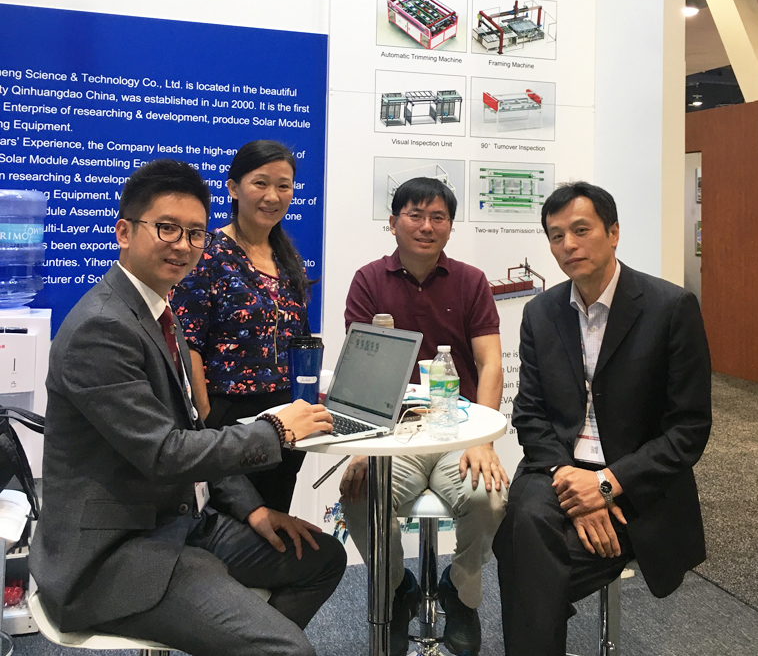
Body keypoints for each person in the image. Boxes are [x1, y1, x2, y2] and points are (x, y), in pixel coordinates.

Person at [30, 159, 346, 656]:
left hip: (184, 524)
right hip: (120, 554)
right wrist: (276, 430)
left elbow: (194, 429)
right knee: (287, 649)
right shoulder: (102, 327)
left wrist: (254, 509)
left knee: (322, 557)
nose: (182, 244)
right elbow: (165, 453)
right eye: (167, 228)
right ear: (124, 232)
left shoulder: (160, 312)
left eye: (196, 233)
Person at [493, 182, 712, 656]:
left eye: (580, 230)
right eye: (556, 236)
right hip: (555, 468)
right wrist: (572, 481)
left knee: (519, 550)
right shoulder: (540, 312)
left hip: (637, 480)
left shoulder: (670, 308)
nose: (568, 245)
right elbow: (529, 412)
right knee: (527, 519)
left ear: (613, 233)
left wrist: (607, 485)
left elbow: (689, 429)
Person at [339, 177, 507, 656]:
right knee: (359, 495)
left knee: (490, 497)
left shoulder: (471, 281)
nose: (426, 226)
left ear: (450, 226)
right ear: (393, 222)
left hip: (458, 431)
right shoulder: (369, 280)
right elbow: (362, 371)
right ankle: (398, 590)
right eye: (415, 215)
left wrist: (482, 441)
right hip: (395, 435)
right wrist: (363, 449)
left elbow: (491, 364)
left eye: (438, 217)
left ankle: (461, 592)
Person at [173, 140, 311, 513]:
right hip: (229, 419)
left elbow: (298, 338)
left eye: (283, 186)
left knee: (276, 520)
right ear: (234, 188)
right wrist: (203, 418)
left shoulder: (287, 258)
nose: (272, 196)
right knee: (232, 526)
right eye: (260, 183)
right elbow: (187, 341)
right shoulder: (208, 252)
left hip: (285, 418)